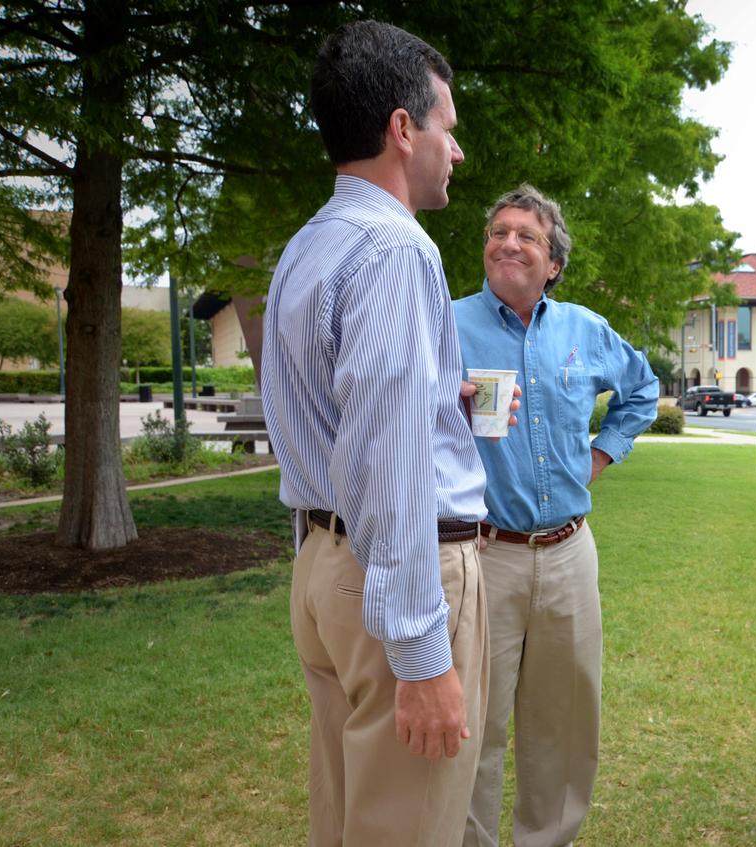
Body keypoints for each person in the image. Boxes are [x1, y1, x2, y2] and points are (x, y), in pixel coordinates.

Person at [261, 21, 506, 847]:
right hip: (396, 578)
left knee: (344, 820)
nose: (457, 151)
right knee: (409, 827)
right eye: (448, 126)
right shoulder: (397, 252)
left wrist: (436, 399)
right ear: (403, 129)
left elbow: (333, 415)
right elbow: (386, 463)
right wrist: (422, 655)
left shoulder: (309, 245)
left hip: (322, 570)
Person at [454, 185, 659, 847]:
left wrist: (602, 454)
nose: (508, 242)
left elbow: (641, 390)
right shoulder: (444, 322)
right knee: (473, 723)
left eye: (527, 236)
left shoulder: (585, 330)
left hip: (570, 552)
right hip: (483, 554)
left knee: (564, 720)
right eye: (499, 231)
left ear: (553, 263)